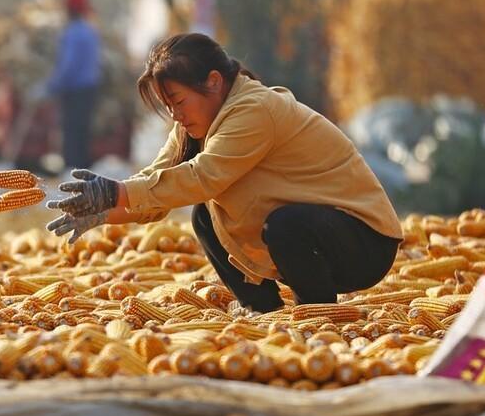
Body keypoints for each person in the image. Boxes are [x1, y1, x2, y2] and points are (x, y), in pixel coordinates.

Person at [46, 32, 402, 312]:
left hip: (363, 242)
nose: (175, 115)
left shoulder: (255, 110)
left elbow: (202, 177)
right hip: (319, 233)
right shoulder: (196, 124)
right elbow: (157, 186)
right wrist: (104, 213)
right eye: (169, 107)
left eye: (179, 102)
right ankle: (264, 311)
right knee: (206, 215)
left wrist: (114, 191)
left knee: (285, 224)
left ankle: (318, 313)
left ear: (214, 82)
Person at [46, 0, 102, 170]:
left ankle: (72, 170)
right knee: (83, 132)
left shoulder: (72, 33)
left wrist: (52, 86)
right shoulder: (90, 31)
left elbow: (68, 66)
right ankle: (82, 169)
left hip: (75, 90)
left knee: (71, 132)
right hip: (90, 89)